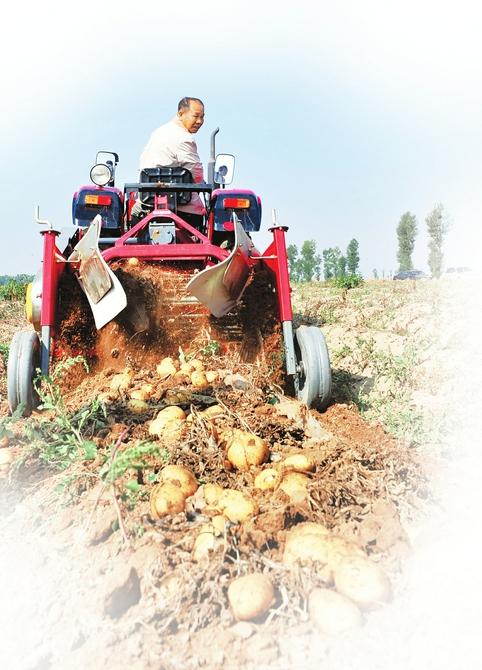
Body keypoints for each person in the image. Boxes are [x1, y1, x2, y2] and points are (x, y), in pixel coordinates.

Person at [133, 97, 206, 229]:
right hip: (183, 212)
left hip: (145, 207)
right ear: (180, 114)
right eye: (196, 116)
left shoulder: (158, 133)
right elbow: (197, 175)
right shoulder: (185, 138)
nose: (200, 121)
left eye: (202, 117)